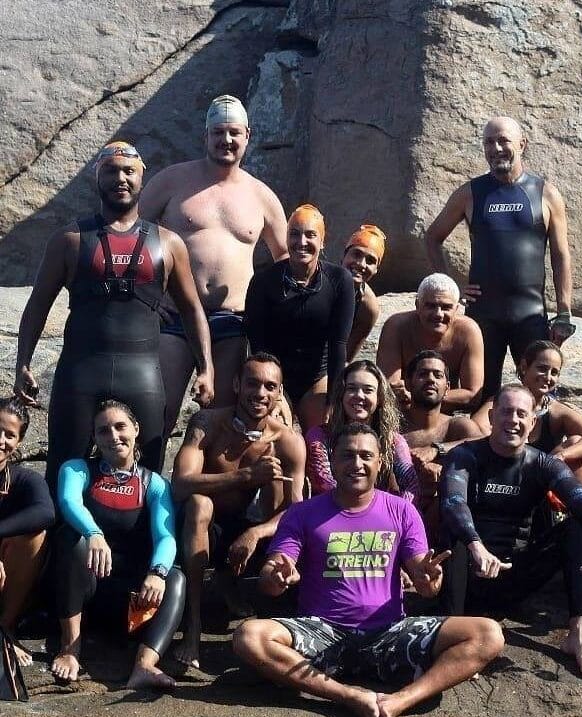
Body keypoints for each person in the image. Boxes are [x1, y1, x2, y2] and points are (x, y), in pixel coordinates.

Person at [232, 423, 505, 717]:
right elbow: (271, 575)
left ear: (380, 462)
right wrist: (276, 578)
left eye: (366, 456)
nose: (357, 464)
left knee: (488, 634)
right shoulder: (302, 512)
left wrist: (430, 581)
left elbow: (425, 584)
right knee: (249, 636)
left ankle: (399, 701)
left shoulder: (402, 510)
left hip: (389, 633)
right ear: (332, 460)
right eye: (347, 455)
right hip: (322, 632)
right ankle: (348, 695)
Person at [15, 141, 213, 491]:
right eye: (110, 171)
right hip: (80, 374)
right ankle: (62, 528)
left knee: (146, 479)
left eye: (128, 171)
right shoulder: (70, 239)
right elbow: (37, 306)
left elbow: (192, 309)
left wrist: (206, 368)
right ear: (97, 178)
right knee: (63, 473)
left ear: (141, 179)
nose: (120, 178)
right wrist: (23, 363)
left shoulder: (168, 243)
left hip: (142, 376)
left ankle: (136, 530)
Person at [440, 383, 582, 677]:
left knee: (578, 526)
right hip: (469, 573)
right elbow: (453, 503)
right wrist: (475, 545)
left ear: (533, 422)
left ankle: (578, 634)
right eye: (506, 412)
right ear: (491, 417)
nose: (513, 420)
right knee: (454, 534)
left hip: (514, 574)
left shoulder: (541, 463)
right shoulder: (464, 456)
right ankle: (454, 635)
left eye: (521, 414)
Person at [139, 95, 288, 439]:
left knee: (220, 419)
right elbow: (130, 236)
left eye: (234, 132)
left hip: (232, 321)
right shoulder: (172, 181)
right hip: (175, 316)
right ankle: (146, 474)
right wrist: (148, 295)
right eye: (218, 132)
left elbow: (285, 259)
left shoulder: (261, 195)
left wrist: (271, 316)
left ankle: (206, 476)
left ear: (247, 136)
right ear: (205, 135)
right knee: (159, 412)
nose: (227, 140)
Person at [171, 352, 306, 670]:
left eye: (269, 386)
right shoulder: (207, 423)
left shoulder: (287, 441)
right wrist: (245, 476)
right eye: (252, 384)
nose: (260, 393)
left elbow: (297, 511)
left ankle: (261, 610)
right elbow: (180, 485)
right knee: (200, 503)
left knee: (278, 486)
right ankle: (193, 624)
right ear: (236, 384)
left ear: (279, 393)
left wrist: (256, 532)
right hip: (200, 526)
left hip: (246, 527)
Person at [424, 116, 575, 399]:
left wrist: (564, 312)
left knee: (538, 397)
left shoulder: (546, 193)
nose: (496, 148)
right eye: (489, 142)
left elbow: (561, 255)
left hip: (530, 315)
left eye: (503, 140)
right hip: (484, 316)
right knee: (479, 395)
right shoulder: (470, 193)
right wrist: (452, 287)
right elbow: (433, 237)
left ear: (522, 144)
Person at [51, 400, 185, 689]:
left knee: (175, 577)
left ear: (135, 429)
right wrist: (93, 533)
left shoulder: (154, 484)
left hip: (129, 604)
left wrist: (157, 573)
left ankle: (144, 665)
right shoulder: (78, 469)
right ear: (94, 437)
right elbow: (68, 501)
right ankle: (70, 647)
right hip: (85, 595)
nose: (113, 436)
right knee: (71, 539)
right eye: (103, 430)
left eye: (120, 426)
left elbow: (166, 536)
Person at [245, 204, 355, 431]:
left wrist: (333, 400)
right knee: (276, 435)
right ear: (286, 238)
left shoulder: (339, 280)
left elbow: (338, 344)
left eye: (310, 235)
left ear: (322, 241)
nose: (301, 242)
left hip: (317, 378)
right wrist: (276, 393)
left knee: (322, 437)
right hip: (275, 377)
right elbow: (257, 344)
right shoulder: (264, 281)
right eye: (294, 234)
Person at [472, 340, 582, 486]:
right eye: (542, 368)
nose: (548, 377)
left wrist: (560, 457)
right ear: (524, 367)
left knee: (577, 442)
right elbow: (473, 429)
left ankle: (573, 498)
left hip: (539, 478)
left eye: (554, 372)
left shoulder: (556, 412)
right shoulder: (502, 401)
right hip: (500, 474)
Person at [306, 360, 419, 503]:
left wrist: (400, 511)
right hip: (330, 511)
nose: (359, 395)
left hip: (380, 512)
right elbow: (324, 482)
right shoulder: (320, 436)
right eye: (351, 389)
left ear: (379, 398)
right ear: (342, 394)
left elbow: (411, 485)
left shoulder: (392, 440)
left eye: (368, 390)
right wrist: (361, 509)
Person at [401, 351, 484, 534]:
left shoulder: (457, 426)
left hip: (446, 522)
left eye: (437, 375)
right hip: (398, 514)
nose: (430, 379)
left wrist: (437, 450)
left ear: (447, 387)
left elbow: (485, 444)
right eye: (423, 374)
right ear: (408, 383)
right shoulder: (392, 424)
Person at [377, 273, 484, 413]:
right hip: (403, 413)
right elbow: (389, 389)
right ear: (417, 305)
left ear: (456, 309)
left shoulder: (468, 331)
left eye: (446, 307)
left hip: (442, 415)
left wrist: (419, 396)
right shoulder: (396, 327)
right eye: (430, 306)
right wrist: (430, 395)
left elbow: (472, 395)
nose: (438, 314)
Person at [0, 397, 55, 667]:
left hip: (7, 577)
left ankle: (4, 628)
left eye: (9, 435)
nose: (1, 440)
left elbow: (46, 513)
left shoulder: (24, 480)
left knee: (35, 536)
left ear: (19, 442)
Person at [342, 224, 386, 361]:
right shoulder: (320, 281)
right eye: (356, 254)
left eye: (370, 261)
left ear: (376, 269)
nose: (361, 264)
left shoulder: (367, 307)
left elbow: (346, 358)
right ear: (344, 256)